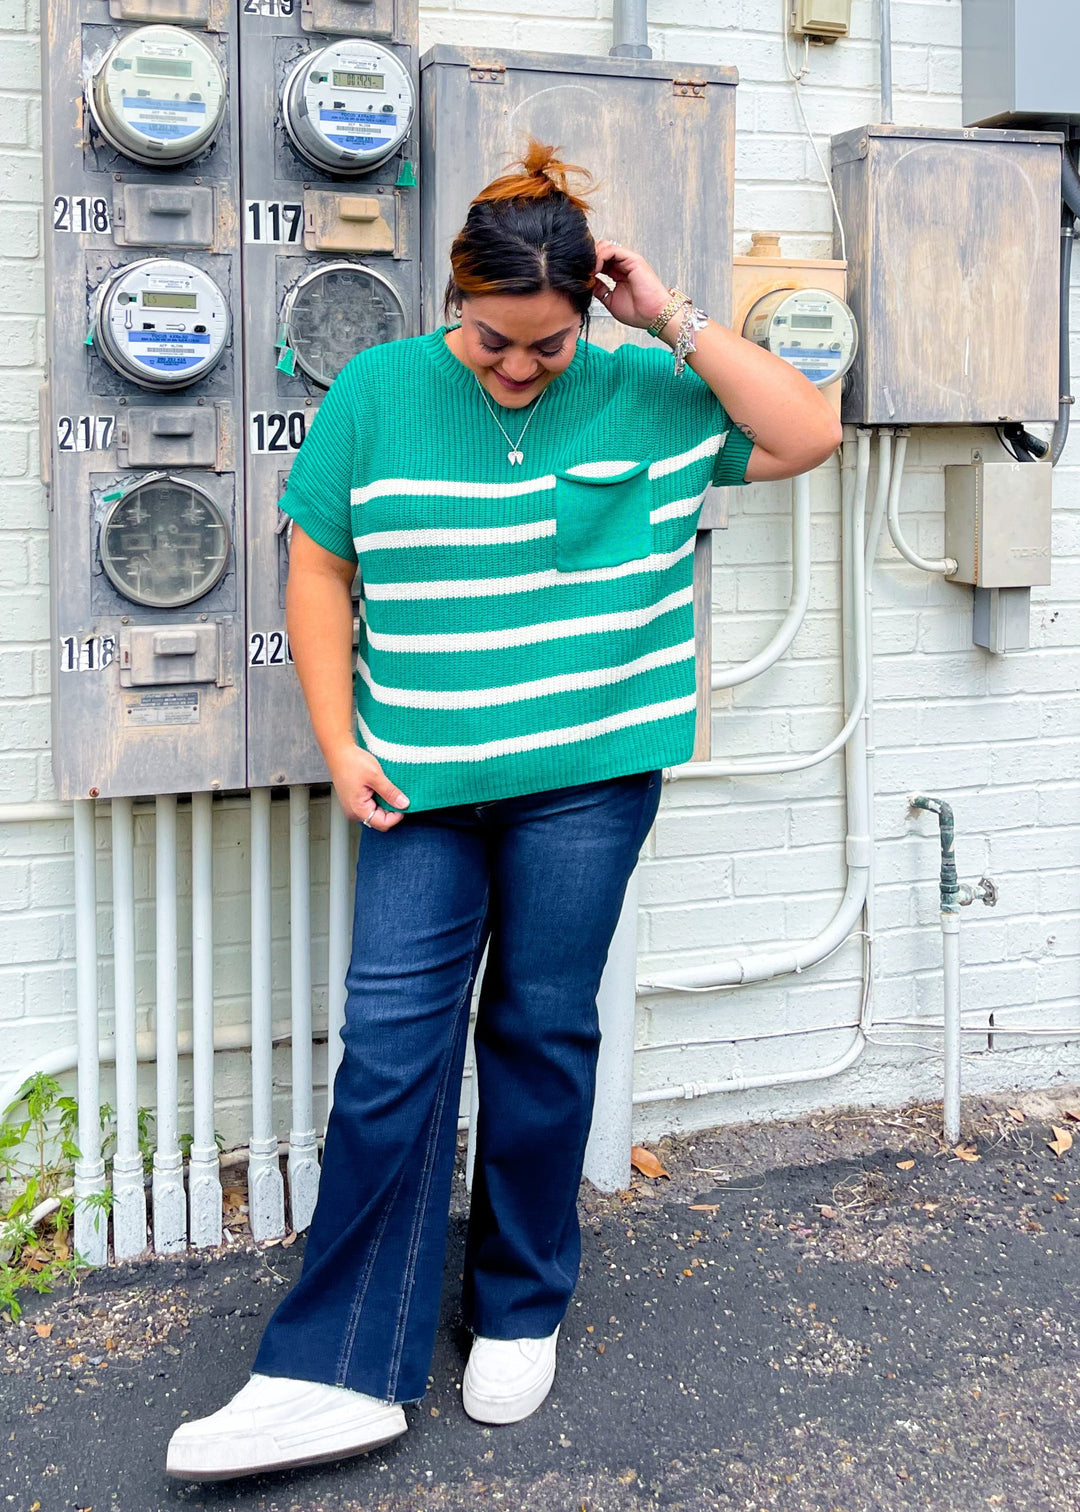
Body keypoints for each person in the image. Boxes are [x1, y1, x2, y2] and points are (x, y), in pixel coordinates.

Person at [166, 140, 841, 1482]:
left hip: (586, 782)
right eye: (494, 340)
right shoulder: (376, 390)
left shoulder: (648, 388)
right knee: (391, 1055)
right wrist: (335, 737)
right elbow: (318, 568)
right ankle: (337, 1363)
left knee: (541, 1037)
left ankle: (519, 1309)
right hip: (417, 780)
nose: (520, 367)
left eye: (548, 341)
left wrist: (674, 318)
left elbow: (808, 431)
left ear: (590, 308)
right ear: (451, 300)